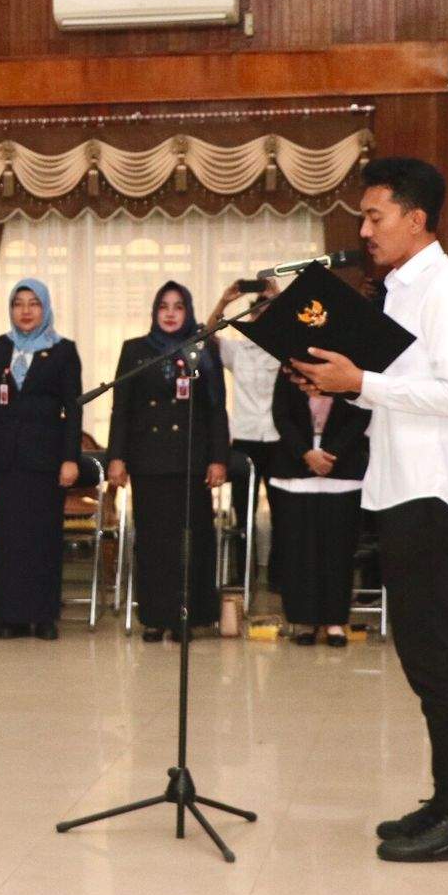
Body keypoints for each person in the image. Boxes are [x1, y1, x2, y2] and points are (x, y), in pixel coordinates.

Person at [291, 156, 448, 863]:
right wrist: (337, 379)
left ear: (416, 219)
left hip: (434, 492)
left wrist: (362, 381)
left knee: (433, 656)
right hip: (401, 485)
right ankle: (444, 799)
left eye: (376, 216)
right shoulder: (398, 291)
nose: (363, 228)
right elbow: (392, 384)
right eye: (363, 215)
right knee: (418, 652)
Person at [105, 282, 229, 643]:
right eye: (164, 307)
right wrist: (117, 457)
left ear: (188, 311)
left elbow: (216, 407)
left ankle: (187, 617)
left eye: (178, 307)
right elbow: (121, 409)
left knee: (190, 543)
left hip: (191, 459)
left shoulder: (202, 350)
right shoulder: (135, 350)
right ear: (155, 312)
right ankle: (156, 617)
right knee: (154, 543)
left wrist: (218, 458)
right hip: (149, 460)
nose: (171, 313)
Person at [0, 279, 82, 641]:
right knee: (8, 540)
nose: (26, 310)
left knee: (43, 539)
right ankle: (9, 615)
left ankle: (43, 616)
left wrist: (70, 459)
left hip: (46, 461)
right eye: (18, 303)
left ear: (45, 308)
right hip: (3, 460)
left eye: (33, 303)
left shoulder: (63, 351)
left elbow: (73, 411)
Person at [269, 363, 371, 648]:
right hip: (295, 468)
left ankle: (335, 621)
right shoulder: (289, 366)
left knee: (337, 550)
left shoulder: (349, 366)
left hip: (342, 468)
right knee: (299, 549)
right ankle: (304, 620)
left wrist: (331, 453)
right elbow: (281, 415)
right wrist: (306, 453)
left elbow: (361, 415)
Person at [210, 278, 284, 590]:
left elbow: (308, 331)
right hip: (244, 441)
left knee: (283, 513)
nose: (260, 320)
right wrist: (224, 302)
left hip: (280, 440)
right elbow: (206, 334)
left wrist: (278, 299)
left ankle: (280, 578)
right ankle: (244, 576)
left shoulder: (285, 348)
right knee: (244, 515)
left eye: (268, 315)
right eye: (256, 315)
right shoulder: (240, 350)